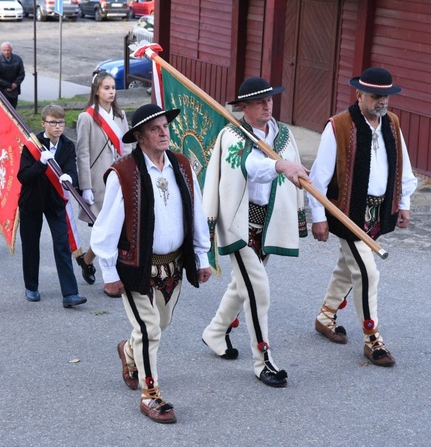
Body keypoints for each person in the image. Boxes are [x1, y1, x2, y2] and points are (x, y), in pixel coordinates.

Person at [90, 104, 212, 424]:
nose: (164, 132)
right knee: (148, 329)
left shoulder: (182, 166)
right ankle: (151, 395)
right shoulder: (125, 173)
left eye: (165, 127)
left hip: (173, 265)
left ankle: (128, 352)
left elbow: (196, 214)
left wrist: (202, 256)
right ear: (140, 136)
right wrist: (109, 272)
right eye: (155, 128)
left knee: (159, 325)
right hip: (135, 265)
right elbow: (106, 228)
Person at [201, 77, 310, 388]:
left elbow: (296, 172)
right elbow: (247, 166)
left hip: (268, 222)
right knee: (258, 289)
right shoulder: (232, 136)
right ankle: (263, 361)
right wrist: (279, 167)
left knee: (244, 284)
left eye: (270, 100)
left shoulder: (284, 136)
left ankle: (216, 330)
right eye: (260, 101)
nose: (267, 105)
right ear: (244, 107)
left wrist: (307, 209)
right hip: (237, 222)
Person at [309, 67, 418, 367]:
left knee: (350, 266)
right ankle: (373, 339)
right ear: (359, 95)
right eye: (375, 96)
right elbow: (318, 178)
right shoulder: (339, 126)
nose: (381, 102)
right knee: (368, 272)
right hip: (347, 214)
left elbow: (404, 167)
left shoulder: (392, 123)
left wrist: (404, 202)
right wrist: (318, 215)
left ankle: (326, 315)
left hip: (378, 210)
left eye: (385, 96)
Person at [17, 104, 88, 308]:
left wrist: (70, 178)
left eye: (61, 122)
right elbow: (23, 176)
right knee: (31, 245)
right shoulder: (33, 145)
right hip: (31, 201)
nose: (58, 126)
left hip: (55, 201)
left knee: (62, 244)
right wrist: (40, 164)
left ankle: (70, 293)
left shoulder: (67, 145)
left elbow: (72, 169)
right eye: (53, 122)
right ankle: (31, 286)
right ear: (43, 124)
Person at [75, 70, 130, 292]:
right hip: (99, 181)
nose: (111, 92)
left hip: (120, 179)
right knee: (107, 228)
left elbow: (127, 146)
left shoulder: (121, 115)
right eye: (106, 88)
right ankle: (111, 276)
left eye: (113, 87)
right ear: (97, 91)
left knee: (112, 228)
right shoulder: (86, 117)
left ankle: (87, 260)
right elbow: (83, 154)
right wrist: (86, 187)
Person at [0, 41, 24, 109]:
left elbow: (21, 74)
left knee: (13, 108)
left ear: (11, 50)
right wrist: (9, 85)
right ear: (1, 50)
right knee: (3, 108)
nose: (6, 52)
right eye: (4, 50)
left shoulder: (17, 59)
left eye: (8, 50)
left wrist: (15, 84)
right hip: (2, 89)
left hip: (15, 89)